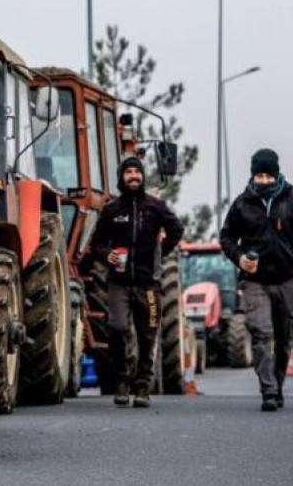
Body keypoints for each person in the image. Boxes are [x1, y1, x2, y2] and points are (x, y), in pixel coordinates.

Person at [220, 149, 293, 412]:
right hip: (255, 281)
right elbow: (226, 238)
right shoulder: (242, 203)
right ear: (253, 175)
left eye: (267, 175)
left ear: (276, 175)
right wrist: (239, 258)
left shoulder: (292, 200)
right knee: (261, 334)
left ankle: (278, 383)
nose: (262, 181)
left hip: (287, 279)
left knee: (284, 338)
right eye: (258, 175)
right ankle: (268, 390)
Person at [88, 156, 184, 407]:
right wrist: (106, 255)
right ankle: (122, 380)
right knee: (118, 328)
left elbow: (176, 229)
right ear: (121, 177)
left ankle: (142, 386)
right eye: (129, 172)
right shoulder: (112, 210)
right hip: (118, 282)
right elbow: (96, 244)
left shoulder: (155, 206)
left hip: (149, 284)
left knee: (147, 335)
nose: (134, 176)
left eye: (137, 172)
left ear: (142, 177)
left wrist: (160, 252)